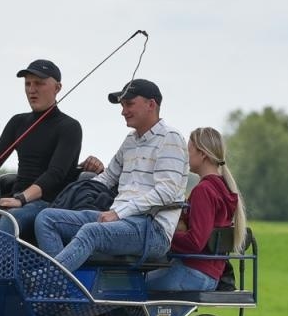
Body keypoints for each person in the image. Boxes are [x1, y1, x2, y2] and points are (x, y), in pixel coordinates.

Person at [34, 78, 188, 275]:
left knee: (92, 231)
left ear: (151, 104)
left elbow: (166, 192)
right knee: (46, 218)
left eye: (129, 104)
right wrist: (75, 187)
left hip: (153, 230)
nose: (123, 111)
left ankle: (47, 281)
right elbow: (107, 178)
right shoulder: (131, 140)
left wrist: (119, 212)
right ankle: (61, 291)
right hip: (120, 221)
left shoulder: (170, 137)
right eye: (122, 105)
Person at [0, 58, 82, 239]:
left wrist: (22, 198)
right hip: (16, 201)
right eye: (28, 84)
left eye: (39, 84)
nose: (32, 90)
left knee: (10, 219)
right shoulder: (18, 122)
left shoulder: (69, 127)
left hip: (48, 205)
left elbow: (55, 175)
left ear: (57, 88)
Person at [145, 126, 247, 293]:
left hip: (194, 272)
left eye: (189, 150)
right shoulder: (223, 187)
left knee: (131, 286)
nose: (185, 156)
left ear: (203, 154)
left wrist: (164, 236)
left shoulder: (204, 190)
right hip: (209, 273)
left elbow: (195, 241)